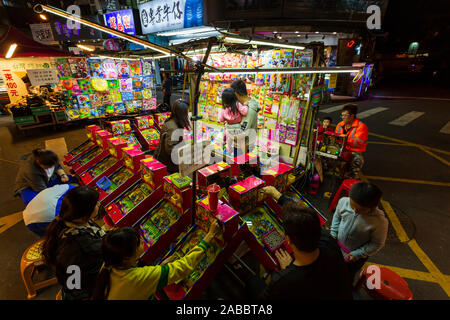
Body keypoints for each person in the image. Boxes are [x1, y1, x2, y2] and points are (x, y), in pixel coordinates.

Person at [92, 220, 222, 300]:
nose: (143, 240)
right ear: (127, 257)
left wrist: (159, 267)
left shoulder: (108, 264)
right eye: (139, 243)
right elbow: (183, 267)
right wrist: (209, 236)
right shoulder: (137, 278)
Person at [257, 198, 353, 300]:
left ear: (288, 239)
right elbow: (305, 219)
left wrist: (288, 269)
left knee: (253, 282)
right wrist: (278, 196)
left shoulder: (283, 280)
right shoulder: (329, 241)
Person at [42, 186, 106, 300]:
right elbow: (75, 284)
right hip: (86, 292)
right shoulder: (81, 244)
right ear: (85, 212)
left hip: (76, 285)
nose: (99, 204)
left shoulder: (66, 223)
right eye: (95, 204)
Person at [330, 182, 388, 284]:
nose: (355, 210)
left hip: (355, 257)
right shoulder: (343, 202)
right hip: (337, 246)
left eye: (360, 209)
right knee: (333, 268)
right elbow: (337, 216)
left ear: (373, 206)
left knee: (347, 275)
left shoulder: (380, 222)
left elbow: (377, 244)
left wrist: (357, 254)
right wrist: (333, 232)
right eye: (353, 206)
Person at [155, 99, 191, 173]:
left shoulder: (174, 121)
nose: (188, 114)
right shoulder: (173, 128)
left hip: (168, 161)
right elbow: (171, 151)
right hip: (168, 164)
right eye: (187, 112)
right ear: (182, 114)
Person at [335, 104, 369, 179]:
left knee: (357, 160)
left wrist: (344, 140)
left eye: (345, 115)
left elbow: (357, 143)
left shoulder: (361, 127)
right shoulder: (340, 125)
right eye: (342, 115)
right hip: (341, 149)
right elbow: (335, 138)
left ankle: (353, 178)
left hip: (354, 151)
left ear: (352, 116)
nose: (343, 117)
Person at [231, 79, 261, 152]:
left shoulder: (249, 110)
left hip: (242, 148)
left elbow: (241, 136)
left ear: (236, 94)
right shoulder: (243, 105)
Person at [219, 87, 248, 158]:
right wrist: (246, 105)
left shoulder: (224, 109)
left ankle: (228, 149)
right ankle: (245, 156)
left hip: (229, 128)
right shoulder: (237, 105)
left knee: (229, 139)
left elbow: (221, 119)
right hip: (237, 128)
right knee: (241, 141)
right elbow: (244, 112)